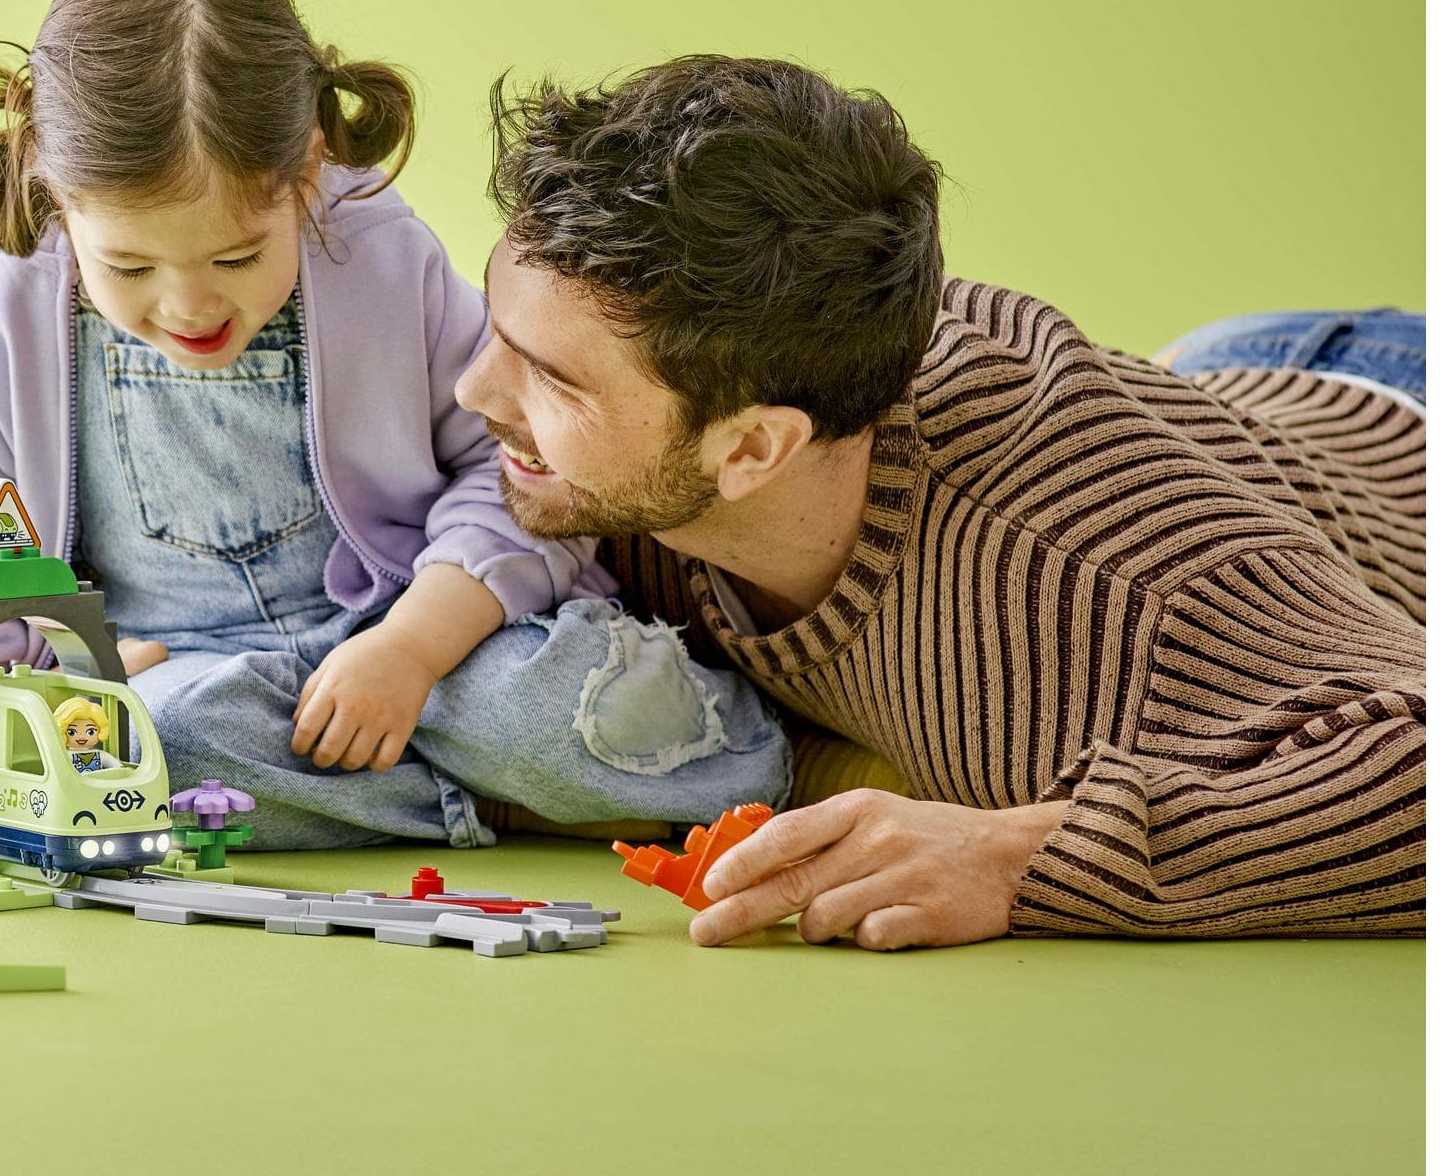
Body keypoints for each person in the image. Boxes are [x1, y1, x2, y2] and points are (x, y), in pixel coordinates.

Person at [453, 54, 1423, 944]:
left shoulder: (1107, 594)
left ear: (753, 447)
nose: (470, 392)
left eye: (553, 381)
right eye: (496, 327)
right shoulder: (624, 458)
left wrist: (1016, 857)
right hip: (1225, 383)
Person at [0, 0, 793, 851]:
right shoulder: (10, 309)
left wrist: (410, 649)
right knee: (145, 745)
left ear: (307, 173)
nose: (190, 305)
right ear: (55, 193)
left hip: (424, 636)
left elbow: (516, 472)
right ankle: (498, 802)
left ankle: (727, 765)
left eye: (239, 256)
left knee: (540, 709)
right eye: (130, 267)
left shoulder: (384, 261)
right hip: (180, 674)